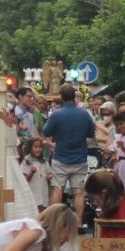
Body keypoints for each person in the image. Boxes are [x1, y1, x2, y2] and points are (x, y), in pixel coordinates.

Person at [42, 83, 97, 215]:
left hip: (61, 156)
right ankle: (78, 222)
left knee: (57, 189)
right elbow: (90, 134)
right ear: (74, 96)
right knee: (78, 192)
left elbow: (46, 131)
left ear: (61, 97)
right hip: (80, 157)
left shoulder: (56, 115)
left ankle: (53, 219)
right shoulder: (84, 115)